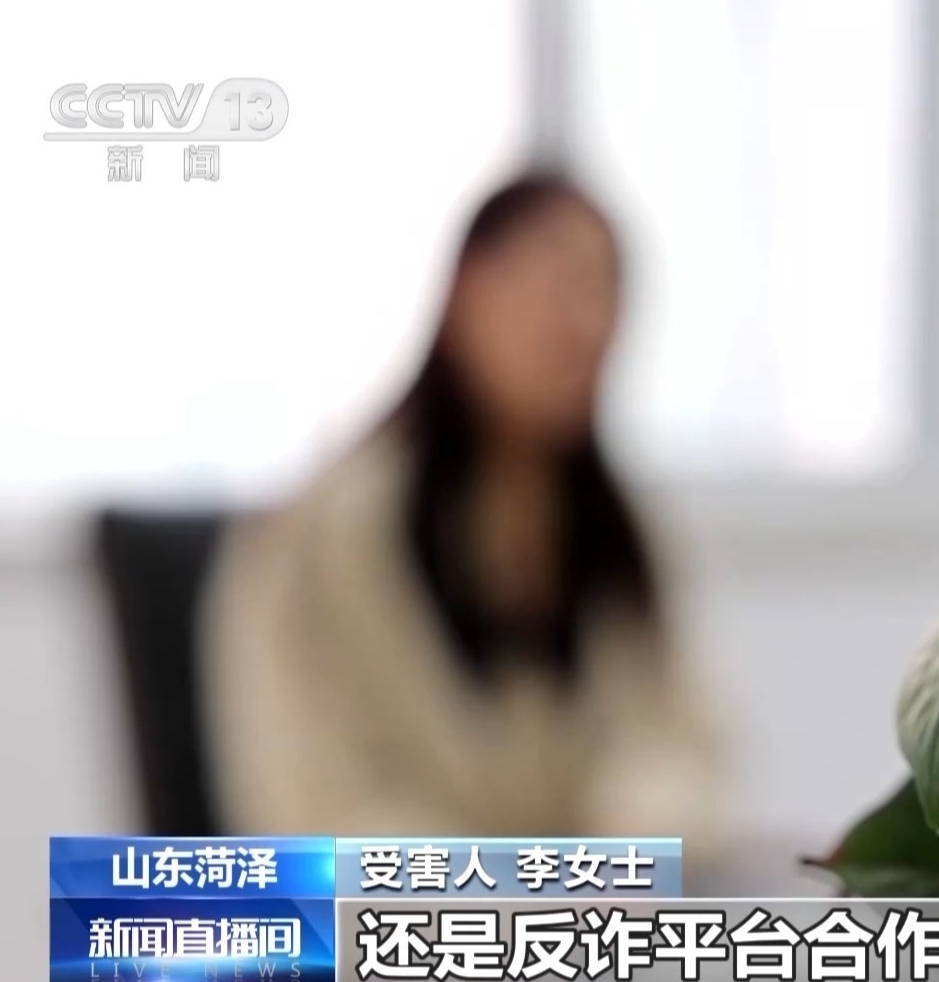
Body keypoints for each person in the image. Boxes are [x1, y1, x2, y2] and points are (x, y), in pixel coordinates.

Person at [199, 172, 720, 845]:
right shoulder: (319, 533)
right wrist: (503, 886)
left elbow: (680, 744)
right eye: (557, 287)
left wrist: (630, 835)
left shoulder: (618, 534)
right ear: (465, 294)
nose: (587, 324)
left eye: (606, 289)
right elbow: (307, 803)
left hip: (588, 900)